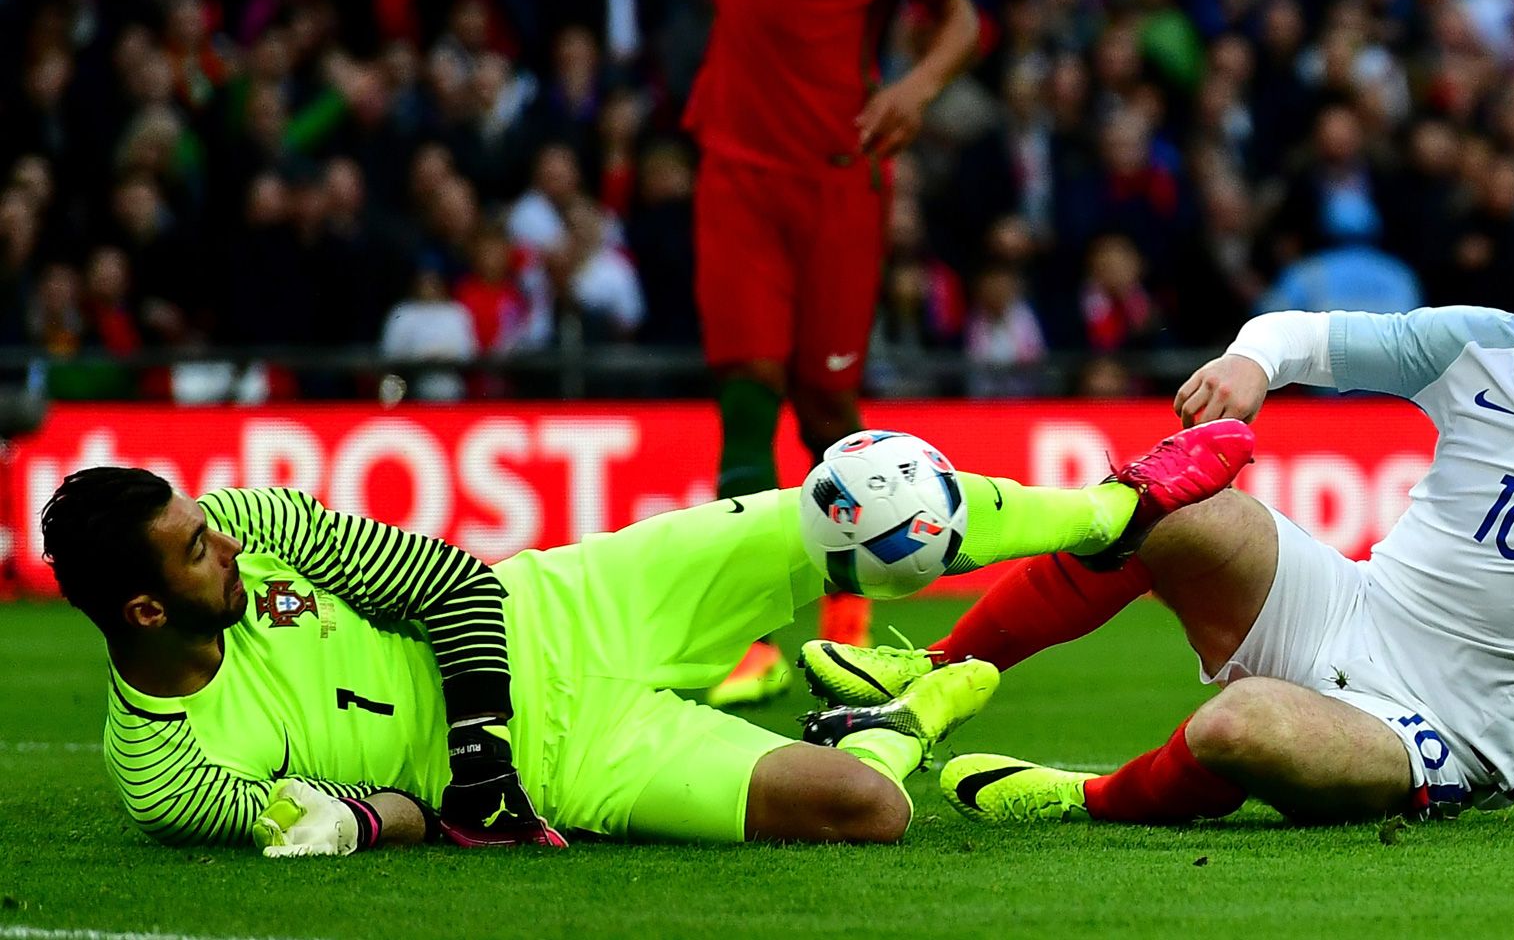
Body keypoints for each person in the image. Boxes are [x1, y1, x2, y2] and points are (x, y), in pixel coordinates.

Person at [801, 206, 1514, 827]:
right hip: (1346, 607)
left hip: (1445, 733)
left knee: (1242, 732)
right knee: (1173, 505)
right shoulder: (1476, 345)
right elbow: (1299, 333)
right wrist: (1248, 366)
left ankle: (1087, 801)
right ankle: (937, 681)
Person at [42, 421, 1251, 854]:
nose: (231, 547)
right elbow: (370, 822)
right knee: (864, 811)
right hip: (577, 755)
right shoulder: (163, 772)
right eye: (199, 555)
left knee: (862, 496)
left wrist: (476, 773)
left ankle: (1120, 501)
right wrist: (444, 803)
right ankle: (903, 711)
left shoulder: (256, 518)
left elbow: (455, 587)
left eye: (212, 527)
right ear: (143, 612)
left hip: (569, 604)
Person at [682, 0, 982, 707]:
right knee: (745, 398)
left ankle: (845, 628)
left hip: (836, 177)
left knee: (823, 404)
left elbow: (961, 18)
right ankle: (739, 641)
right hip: (736, 169)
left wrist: (916, 89)